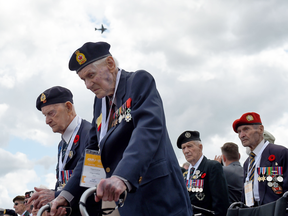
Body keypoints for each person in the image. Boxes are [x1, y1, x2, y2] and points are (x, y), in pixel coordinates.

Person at [49, 41, 193, 216]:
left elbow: (147, 130)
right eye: (83, 79)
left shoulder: (138, 81)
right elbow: (91, 152)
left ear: (110, 64)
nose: (87, 85)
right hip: (128, 202)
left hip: (160, 196)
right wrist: (66, 195)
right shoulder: (100, 103)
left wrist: (122, 176)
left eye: (91, 75)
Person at [28, 86, 100, 215]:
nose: (47, 121)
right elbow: (64, 182)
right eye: (45, 115)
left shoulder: (91, 134)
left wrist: (57, 195)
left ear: (68, 107)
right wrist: (50, 199)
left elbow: (93, 180)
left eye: (51, 113)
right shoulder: (62, 144)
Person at [232, 112, 288, 207]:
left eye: (246, 129)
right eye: (239, 131)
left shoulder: (280, 153)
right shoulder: (247, 163)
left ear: (261, 129)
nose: (241, 135)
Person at [177, 130, 229, 216]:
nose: (186, 151)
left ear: (200, 147)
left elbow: (221, 203)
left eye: (189, 146)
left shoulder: (211, 167)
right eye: (183, 148)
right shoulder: (185, 174)